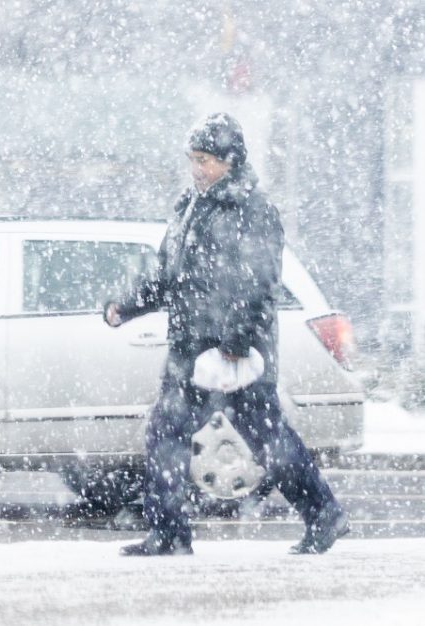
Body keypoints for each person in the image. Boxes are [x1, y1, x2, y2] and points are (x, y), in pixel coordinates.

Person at [105, 113, 349, 556]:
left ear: (230, 161)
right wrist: (127, 305)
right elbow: (168, 275)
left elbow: (258, 282)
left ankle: (323, 513)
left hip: (236, 355)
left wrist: (234, 344)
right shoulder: (189, 207)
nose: (198, 168)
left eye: (207, 160)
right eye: (193, 159)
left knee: (269, 440)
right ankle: (169, 533)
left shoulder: (250, 210)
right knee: (166, 433)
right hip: (190, 349)